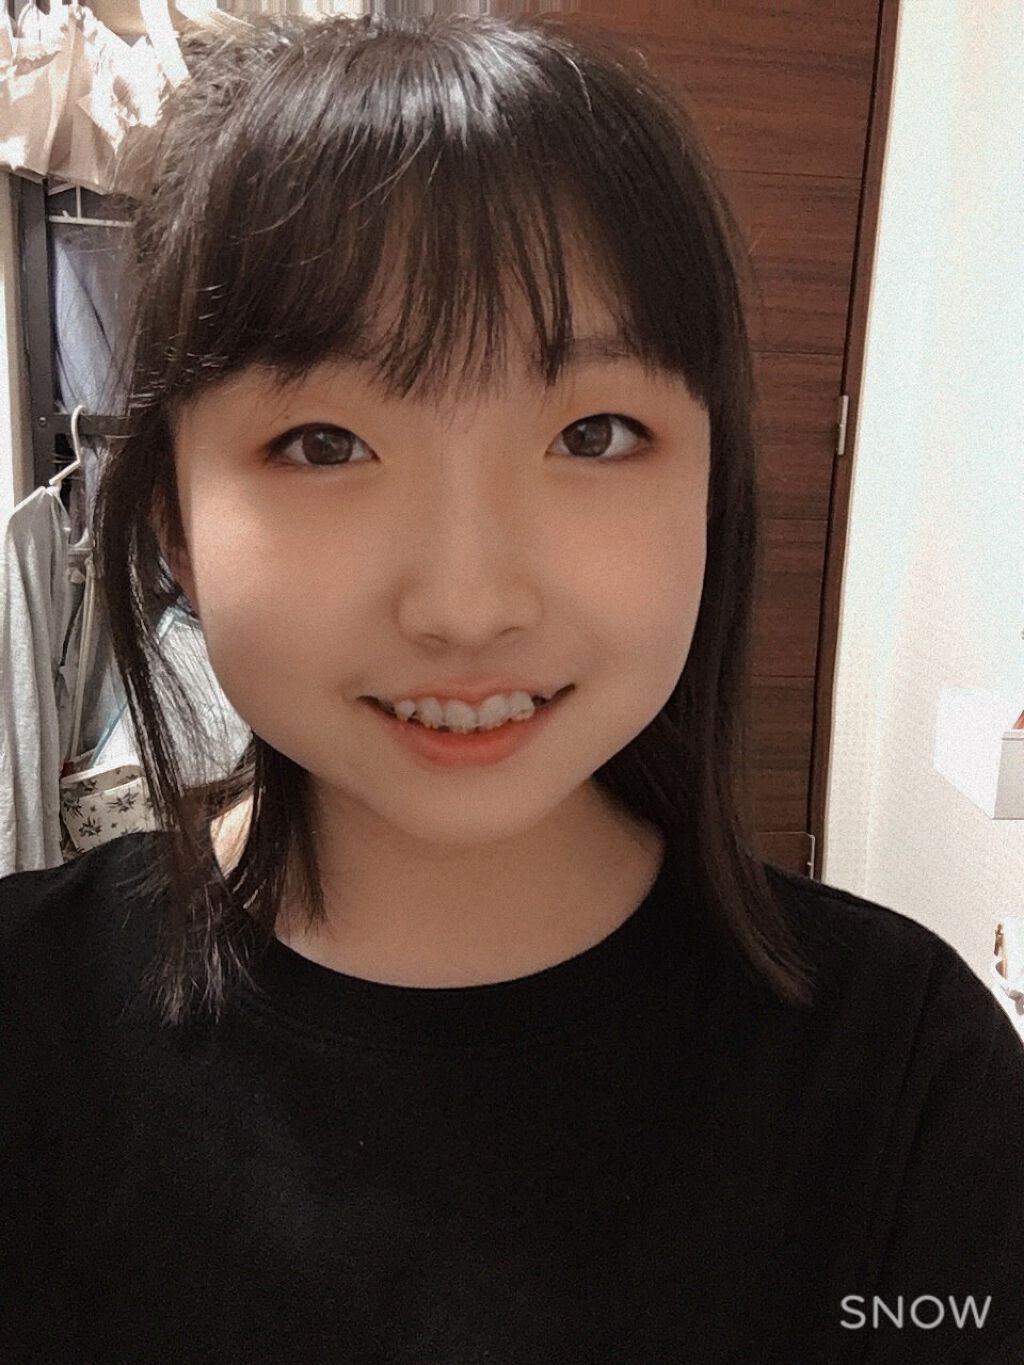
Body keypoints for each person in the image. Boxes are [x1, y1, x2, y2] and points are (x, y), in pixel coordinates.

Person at [2, 13, 1022, 1364]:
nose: (469, 603)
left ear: (713, 489)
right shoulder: (28, 1036)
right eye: (325, 443)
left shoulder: (911, 1080)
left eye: (594, 433)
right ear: (171, 518)